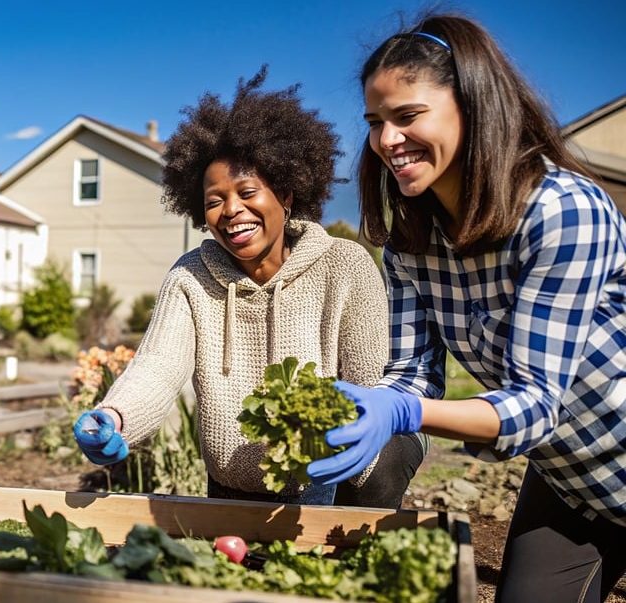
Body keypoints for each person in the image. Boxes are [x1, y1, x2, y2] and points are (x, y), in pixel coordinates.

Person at [304, 14, 626, 602]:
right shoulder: (410, 244)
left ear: (472, 107)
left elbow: (533, 404)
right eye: (376, 122)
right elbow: (411, 376)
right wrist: (376, 407)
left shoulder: (561, 212)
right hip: (569, 479)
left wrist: (404, 415)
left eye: (407, 116)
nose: (387, 140)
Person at [71, 68, 424, 508]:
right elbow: (157, 369)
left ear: (287, 193)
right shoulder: (190, 277)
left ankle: (358, 541)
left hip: (336, 478)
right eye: (214, 200)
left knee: (391, 449)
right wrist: (115, 416)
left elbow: (368, 385)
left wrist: (328, 463)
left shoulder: (345, 266)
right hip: (236, 485)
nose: (231, 210)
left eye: (247, 191)